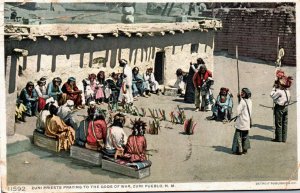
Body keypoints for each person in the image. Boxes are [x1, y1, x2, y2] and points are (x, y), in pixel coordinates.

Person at [270, 76, 292, 143]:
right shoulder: (288, 91)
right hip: (286, 107)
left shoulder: (279, 91)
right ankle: (284, 138)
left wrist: (274, 88)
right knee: (285, 123)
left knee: (278, 123)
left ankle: (278, 138)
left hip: (279, 108)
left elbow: (272, 96)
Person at [232, 88, 252, 155]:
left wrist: (240, 101)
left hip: (241, 121)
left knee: (238, 136)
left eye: (242, 92)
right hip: (247, 121)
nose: (241, 93)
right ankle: (245, 149)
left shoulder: (242, 102)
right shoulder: (250, 101)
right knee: (245, 136)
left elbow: (238, 111)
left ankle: (239, 150)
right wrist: (240, 99)